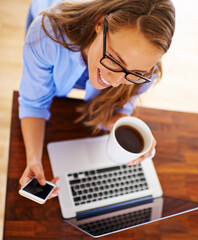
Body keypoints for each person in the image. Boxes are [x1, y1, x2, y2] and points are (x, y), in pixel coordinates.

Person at [19, 0, 175, 198]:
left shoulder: (145, 75)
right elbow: (34, 103)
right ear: (99, 23)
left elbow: (120, 107)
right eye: (114, 59)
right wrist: (33, 159)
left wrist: (118, 121)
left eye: (135, 72)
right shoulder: (46, 34)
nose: (116, 81)